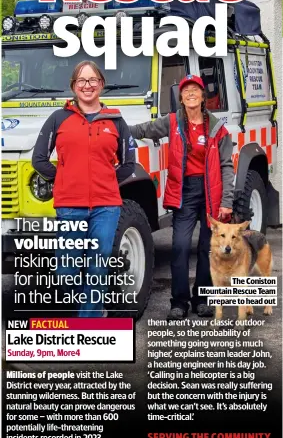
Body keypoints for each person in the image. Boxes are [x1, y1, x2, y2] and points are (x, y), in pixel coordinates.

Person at [32, 60, 135, 317]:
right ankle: (92, 302)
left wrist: (108, 181)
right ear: (73, 86)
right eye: (81, 81)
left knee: (98, 264)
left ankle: (89, 320)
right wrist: (65, 178)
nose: (87, 86)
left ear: (101, 84)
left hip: (106, 207)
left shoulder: (116, 120)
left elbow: (129, 163)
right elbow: (39, 160)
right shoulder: (58, 119)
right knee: (65, 272)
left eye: (92, 81)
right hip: (69, 206)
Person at [129, 74, 234, 320]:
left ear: (202, 95)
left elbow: (227, 166)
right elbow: (144, 129)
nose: (190, 94)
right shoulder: (173, 122)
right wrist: (113, 127)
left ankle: (203, 301)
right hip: (184, 192)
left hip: (211, 193)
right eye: (185, 91)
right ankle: (179, 302)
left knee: (209, 248)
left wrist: (227, 201)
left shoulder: (217, 128)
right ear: (181, 97)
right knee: (180, 247)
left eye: (194, 90)